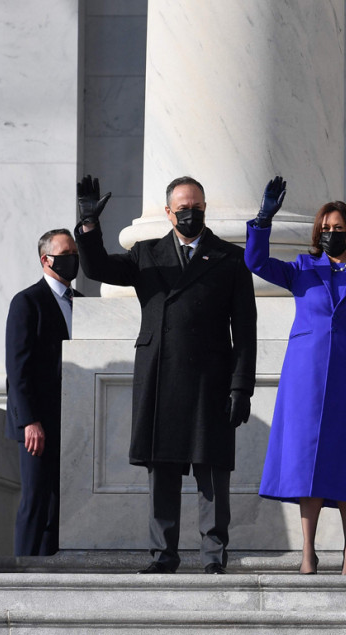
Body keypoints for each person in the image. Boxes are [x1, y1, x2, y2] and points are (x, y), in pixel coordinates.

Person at [75, 175, 257, 575]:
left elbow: (244, 330)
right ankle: (163, 555)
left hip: (211, 378)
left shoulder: (229, 257)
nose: (190, 214)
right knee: (163, 469)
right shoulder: (147, 254)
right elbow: (97, 266)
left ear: (205, 209)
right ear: (168, 211)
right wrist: (89, 226)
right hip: (161, 376)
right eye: (183, 208)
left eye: (197, 207)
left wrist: (241, 386)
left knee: (211, 471)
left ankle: (213, 556)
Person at [245, 177, 346, 575]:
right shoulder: (302, 267)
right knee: (306, 463)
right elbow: (256, 263)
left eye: (337, 229)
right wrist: (263, 220)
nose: (330, 235)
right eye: (324, 230)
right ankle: (308, 553)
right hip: (304, 378)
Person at [5, 229, 83, 556]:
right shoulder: (27, 302)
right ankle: (20, 578)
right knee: (35, 501)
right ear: (45, 259)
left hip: (72, 422)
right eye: (64, 254)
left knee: (61, 505)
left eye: (74, 253)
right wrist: (29, 421)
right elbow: (17, 368)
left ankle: (51, 570)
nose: (72, 261)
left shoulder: (82, 304)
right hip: (37, 425)